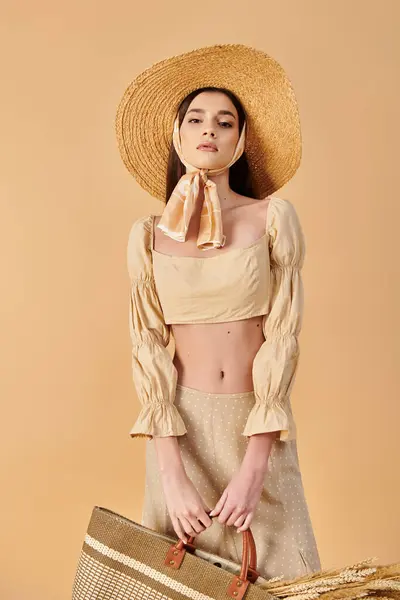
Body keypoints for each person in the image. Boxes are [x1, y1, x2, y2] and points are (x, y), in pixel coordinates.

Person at [116, 43, 322, 581]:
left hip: (255, 423)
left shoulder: (272, 218)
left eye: (225, 122)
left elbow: (282, 338)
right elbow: (147, 351)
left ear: (241, 140)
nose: (210, 130)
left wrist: (256, 467)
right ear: (178, 135)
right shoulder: (146, 236)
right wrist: (171, 475)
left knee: (281, 578)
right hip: (181, 432)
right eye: (197, 119)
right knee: (183, 583)